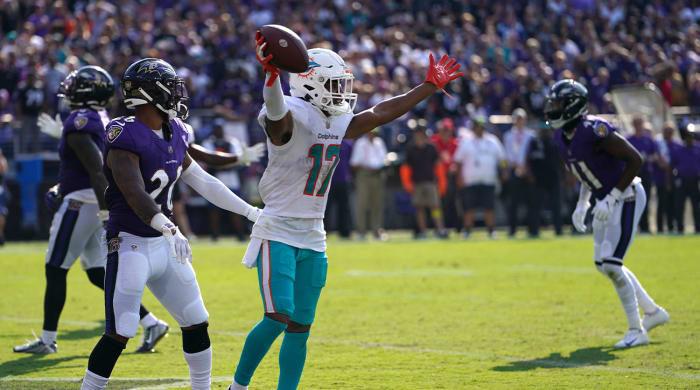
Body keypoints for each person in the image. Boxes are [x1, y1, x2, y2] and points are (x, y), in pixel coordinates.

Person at [228, 32, 461, 390]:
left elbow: (381, 112)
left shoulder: (335, 119)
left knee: (301, 325)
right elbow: (277, 119)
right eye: (334, 84)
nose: (341, 92)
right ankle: (238, 386)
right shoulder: (292, 112)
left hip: (314, 235)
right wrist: (271, 77)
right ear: (310, 84)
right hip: (277, 230)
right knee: (277, 316)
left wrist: (427, 86)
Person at [79, 58, 261, 390]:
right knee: (120, 330)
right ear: (153, 93)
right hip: (130, 242)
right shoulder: (124, 133)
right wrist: (169, 227)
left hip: (165, 244)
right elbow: (134, 191)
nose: (179, 94)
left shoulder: (175, 130)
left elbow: (204, 183)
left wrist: (252, 213)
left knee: (196, 321)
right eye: (173, 87)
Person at [13, 66, 168, 355]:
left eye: (75, 85)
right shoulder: (100, 119)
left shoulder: (79, 121)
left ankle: (47, 340)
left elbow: (97, 169)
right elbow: (87, 169)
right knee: (97, 272)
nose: (69, 89)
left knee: (55, 267)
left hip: (85, 205)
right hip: (92, 202)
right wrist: (63, 187)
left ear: (85, 91)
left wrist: (107, 214)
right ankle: (152, 323)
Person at [546, 79, 669, 348]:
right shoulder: (561, 135)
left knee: (612, 264)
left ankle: (637, 330)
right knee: (604, 265)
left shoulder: (594, 129)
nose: (552, 109)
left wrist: (612, 196)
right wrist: (583, 203)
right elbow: (586, 172)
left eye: (557, 104)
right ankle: (653, 312)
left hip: (626, 196)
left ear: (572, 106)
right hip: (604, 200)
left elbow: (635, 159)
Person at [453, 116, 505, 238]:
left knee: (489, 207)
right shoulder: (466, 141)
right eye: (476, 126)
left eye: (481, 126)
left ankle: (491, 230)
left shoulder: (492, 140)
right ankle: (467, 231)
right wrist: (459, 177)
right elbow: (458, 162)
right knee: (469, 208)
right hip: (470, 180)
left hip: (488, 180)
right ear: (473, 127)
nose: (479, 129)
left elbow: (502, 159)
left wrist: (504, 171)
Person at [202, 122, 247, 241]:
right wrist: (223, 163)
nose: (219, 131)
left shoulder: (232, 141)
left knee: (236, 208)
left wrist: (222, 163)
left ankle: (240, 235)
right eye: (216, 128)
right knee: (214, 210)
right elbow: (210, 161)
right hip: (215, 180)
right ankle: (215, 235)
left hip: (232, 180)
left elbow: (238, 160)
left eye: (220, 128)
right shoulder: (208, 142)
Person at [405, 126, 448, 239]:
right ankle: (423, 231)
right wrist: (408, 183)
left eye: (421, 133)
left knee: (435, 207)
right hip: (417, 183)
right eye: (417, 133)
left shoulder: (431, 147)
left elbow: (438, 165)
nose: (419, 135)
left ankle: (440, 229)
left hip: (430, 182)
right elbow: (406, 168)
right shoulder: (411, 148)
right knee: (419, 208)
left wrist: (442, 182)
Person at [350, 128, 387, 240]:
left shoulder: (379, 142)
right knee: (362, 204)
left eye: (374, 133)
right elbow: (354, 163)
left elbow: (384, 159)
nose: (373, 135)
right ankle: (361, 232)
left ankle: (377, 231)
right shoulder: (360, 143)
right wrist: (368, 168)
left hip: (378, 174)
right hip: (364, 175)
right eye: (371, 132)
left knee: (377, 204)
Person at [503, 107, 536, 237]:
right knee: (513, 203)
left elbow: (532, 153)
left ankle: (532, 230)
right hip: (514, 170)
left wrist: (525, 168)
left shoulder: (531, 135)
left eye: (521, 119)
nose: (519, 121)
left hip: (528, 172)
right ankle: (512, 230)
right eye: (517, 119)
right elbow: (508, 154)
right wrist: (518, 166)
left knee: (531, 202)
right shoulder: (508, 135)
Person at [527, 125, 564, 236]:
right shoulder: (534, 142)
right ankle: (534, 231)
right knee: (536, 206)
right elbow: (528, 159)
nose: (545, 132)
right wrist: (530, 174)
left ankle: (558, 230)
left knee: (556, 205)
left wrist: (565, 175)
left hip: (554, 177)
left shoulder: (555, 142)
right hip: (539, 179)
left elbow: (562, 159)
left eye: (546, 130)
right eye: (543, 130)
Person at [626, 115, 658, 233]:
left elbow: (655, 155)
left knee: (646, 199)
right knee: (632, 200)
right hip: (632, 174)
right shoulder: (629, 139)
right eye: (636, 123)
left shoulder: (648, 139)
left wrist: (648, 158)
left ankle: (645, 226)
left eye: (640, 123)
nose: (638, 126)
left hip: (646, 173)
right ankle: (633, 226)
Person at [431, 118, 460, 230]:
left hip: (451, 178)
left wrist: (454, 166)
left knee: (452, 203)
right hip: (436, 178)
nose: (445, 132)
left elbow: (458, 161)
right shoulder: (433, 142)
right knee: (436, 204)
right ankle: (437, 226)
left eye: (447, 130)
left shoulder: (455, 144)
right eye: (443, 130)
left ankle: (456, 226)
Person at [670, 127, 700, 234]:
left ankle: (698, 228)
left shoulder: (698, 148)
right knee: (680, 206)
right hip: (682, 181)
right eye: (688, 136)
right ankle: (680, 228)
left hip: (695, 181)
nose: (690, 138)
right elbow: (672, 165)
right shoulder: (679, 149)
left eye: (692, 136)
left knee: (696, 206)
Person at [325, 139, 353, 239]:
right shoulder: (327, 141)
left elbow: (351, 161)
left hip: (343, 180)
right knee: (325, 208)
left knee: (344, 208)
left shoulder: (348, 144)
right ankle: (323, 230)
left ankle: (344, 231)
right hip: (328, 179)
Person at [653, 123, 678, 233]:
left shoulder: (676, 145)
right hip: (660, 178)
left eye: (670, 132)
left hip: (673, 179)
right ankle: (659, 228)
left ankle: (671, 226)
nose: (668, 134)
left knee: (672, 204)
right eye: (666, 131)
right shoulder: (657, 144)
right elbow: (655, 159)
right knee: (661, 204)